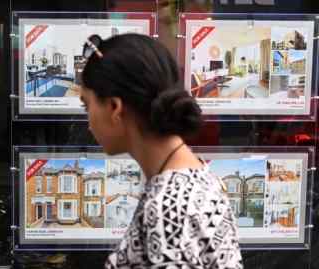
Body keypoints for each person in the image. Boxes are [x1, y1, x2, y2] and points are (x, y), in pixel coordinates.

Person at [79, 33, 243, 269]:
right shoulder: (195, 176)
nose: (88, 123)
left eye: (87, 105)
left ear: (115, 107)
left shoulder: (168, 209)